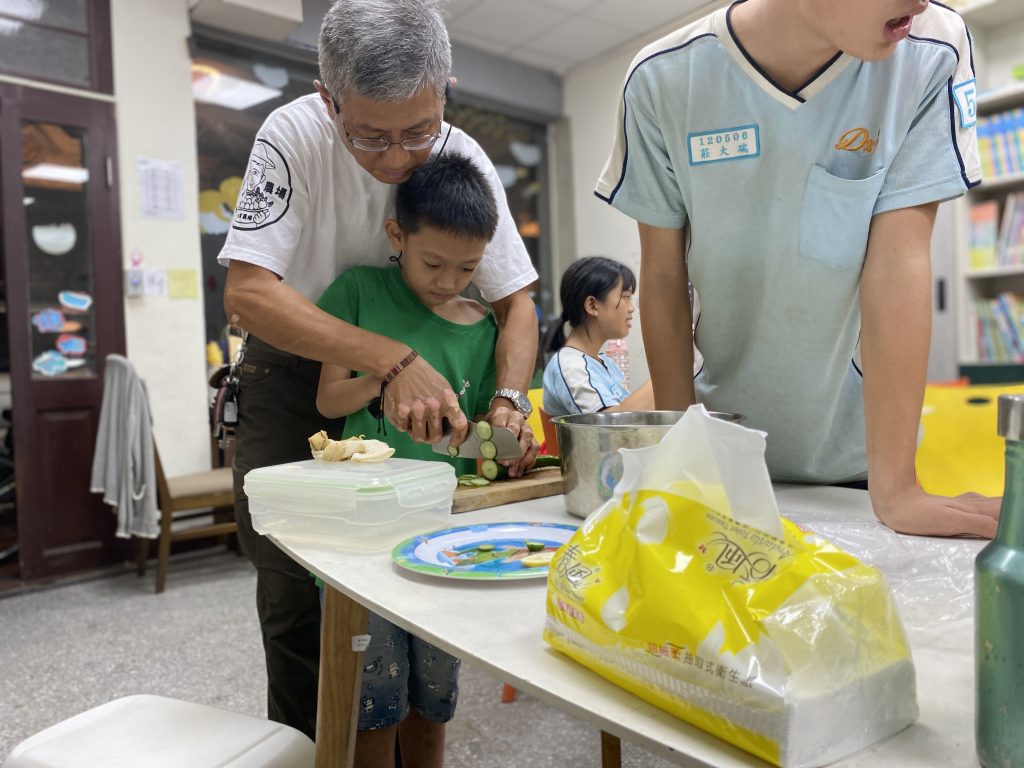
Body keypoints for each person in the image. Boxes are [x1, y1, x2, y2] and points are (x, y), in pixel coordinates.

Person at [218, 0, 539, 740]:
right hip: (295, 374)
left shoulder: (460, 156)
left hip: (405, 375)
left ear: (445, 91)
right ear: (328, 99)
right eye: (369, 135)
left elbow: (517, 301)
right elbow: (248, 292)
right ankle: (311, 752)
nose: (397, 159)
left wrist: (509, 404)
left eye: (417, 132)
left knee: (410, 563)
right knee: (297, 585)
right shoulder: (292, 135)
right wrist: (391, 359)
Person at [594, 0, 1000, 538]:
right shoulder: (662, 78)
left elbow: (898, 264)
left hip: (859, 468)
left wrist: (898, 488)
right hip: (724, 456)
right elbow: (666, 276)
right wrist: (685, 456)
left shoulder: (931, 49)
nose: (921, 1)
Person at [314, 152, 539, 766]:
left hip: (444, 538)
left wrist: (511, 448)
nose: (448, 281)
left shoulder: (482, 328)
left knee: (435, 695)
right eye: (433, 262)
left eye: (468, 268)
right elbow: (329, 397)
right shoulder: (359, 292)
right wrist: (384, 378)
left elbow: (487, 446)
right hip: (364, 534)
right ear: (397, 236)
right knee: (373, 698)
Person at [541, 256, 654, 416]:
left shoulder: (604, 362)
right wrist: (668, 370)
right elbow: (612, 427)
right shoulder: (571, 367)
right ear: (592, 305)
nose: (631, 308)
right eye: (626, 297)